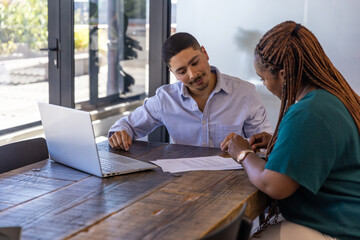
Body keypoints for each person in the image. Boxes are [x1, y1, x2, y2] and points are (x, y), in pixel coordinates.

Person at [222, 21, 360, 240]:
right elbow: (321, 148)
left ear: (284, 75)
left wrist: (243, 153)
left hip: (336, 230)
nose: (264, 84)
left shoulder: (308, 112)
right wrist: (282, 141)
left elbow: (274, 185)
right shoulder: (333, 97)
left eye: (263, 78)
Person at [108, 32, 272, 151]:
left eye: (195, 62)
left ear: (205, 53)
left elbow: (266, 144)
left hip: (234, 183)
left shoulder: (245, 93)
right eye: (182, 71)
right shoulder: (165, 99)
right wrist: (120, 134)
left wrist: (243, 143)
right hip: (184, 185)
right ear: (173, 74)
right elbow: (125, 125)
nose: (193, 74)